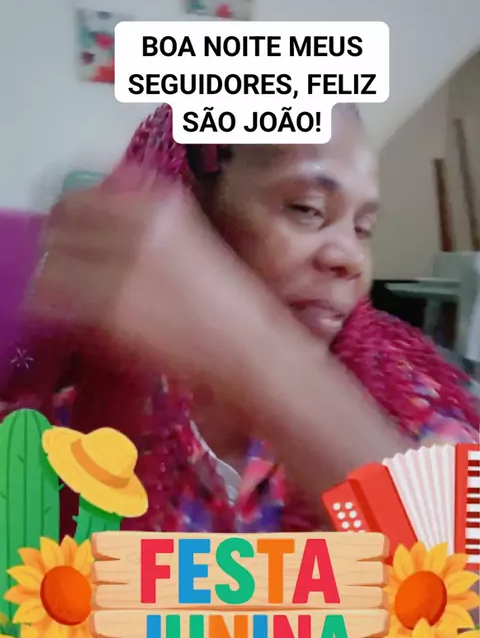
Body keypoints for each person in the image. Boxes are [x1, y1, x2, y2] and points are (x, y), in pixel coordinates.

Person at [4, 103, 479, 535]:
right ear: (194, 209)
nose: (351, 258)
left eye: (363, 228)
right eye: (307, 209)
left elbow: (461, 580)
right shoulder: (68, 423)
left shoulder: (408, 407)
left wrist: (256, 355)